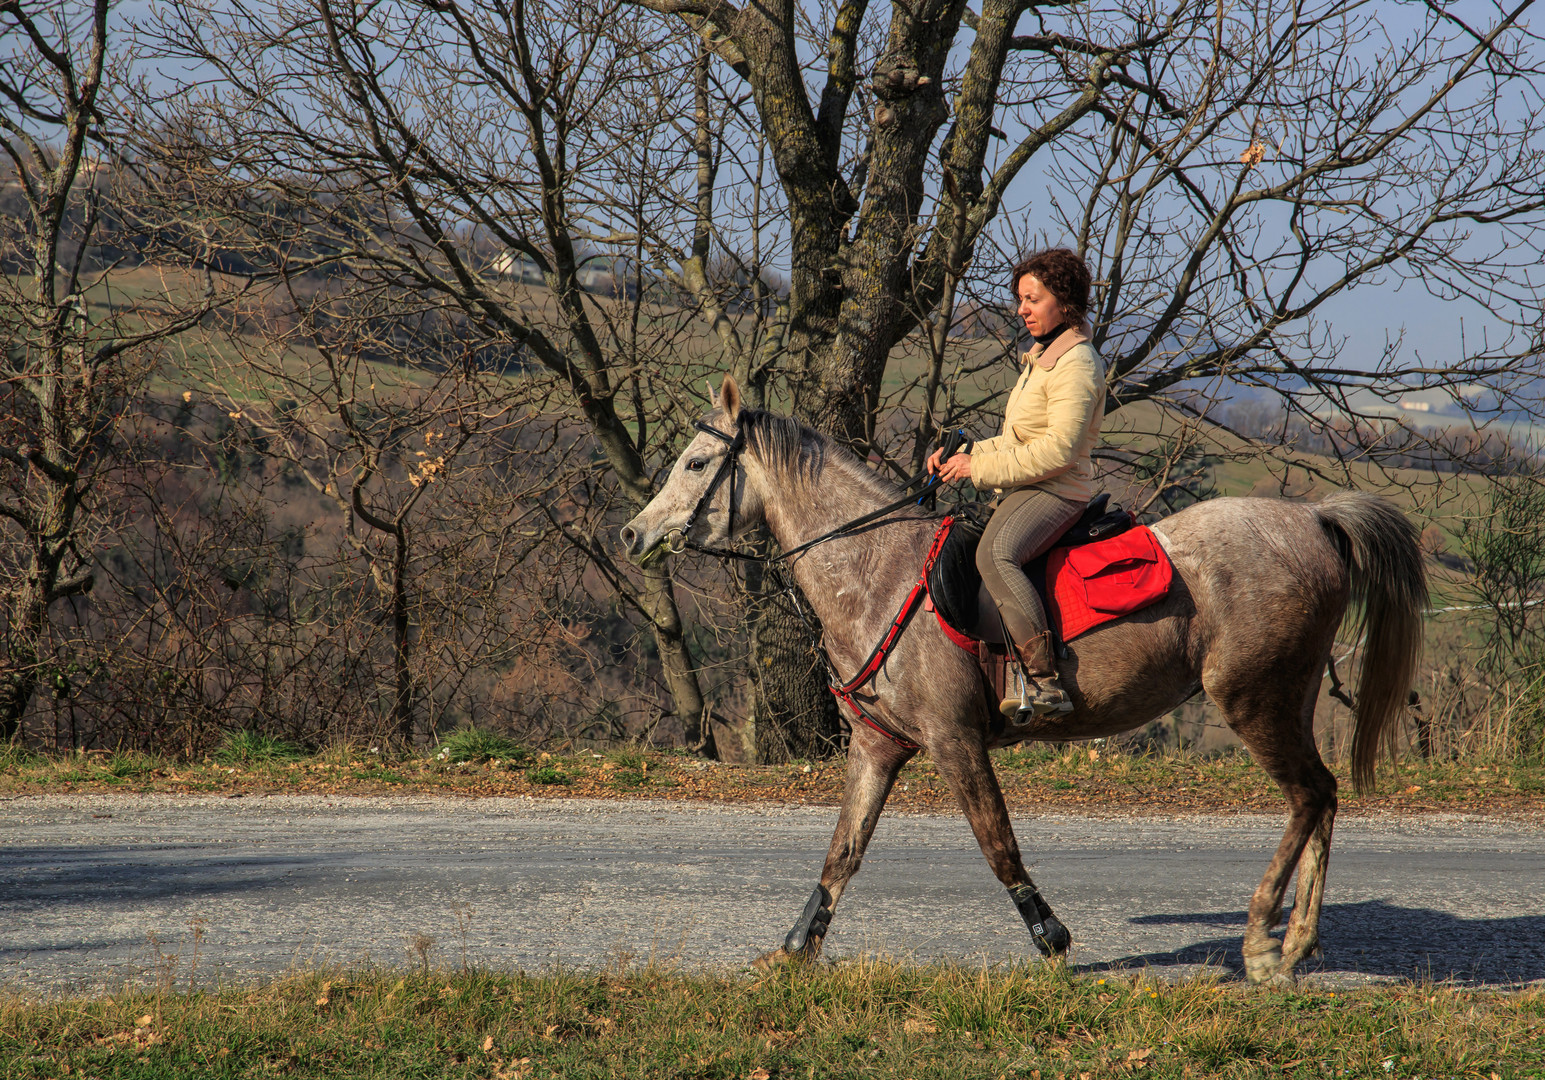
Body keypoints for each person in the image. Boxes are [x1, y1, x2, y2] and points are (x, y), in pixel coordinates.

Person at [926, 249, 1105, 720]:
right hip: (1029, 485)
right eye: (1020, 299)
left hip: (1058, 490)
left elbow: (1059, 451)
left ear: (1064, 303)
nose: (1021, 309)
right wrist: (964, 457)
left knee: (994, 554)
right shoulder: (1044, 357)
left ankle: (1045, 684)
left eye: (1032, 298)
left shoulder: (1077, 364)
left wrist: (977, 472)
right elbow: (1016, 441)